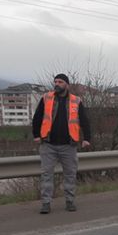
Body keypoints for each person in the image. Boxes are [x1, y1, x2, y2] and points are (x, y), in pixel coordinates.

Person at [32, 73, 92, 214]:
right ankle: (46, 203)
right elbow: (38, 117)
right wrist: (36, 135)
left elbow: (84, 120)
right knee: (47, 175)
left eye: (60, 82)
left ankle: (70, 201)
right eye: (55, 81)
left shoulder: (76, 101)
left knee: (70, 174)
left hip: (68, 145)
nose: (57, 84)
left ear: (67, 84)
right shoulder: (46, 98)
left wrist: (87, 138)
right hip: (48, 144)